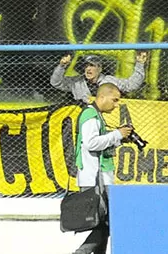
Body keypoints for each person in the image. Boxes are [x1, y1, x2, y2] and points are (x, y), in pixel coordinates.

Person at [72, 83, 130, 254]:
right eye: (114, 100)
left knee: (104, 224)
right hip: (95, 180)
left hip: (98, 178)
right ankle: (81, 252)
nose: (116, 104)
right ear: (102, 97)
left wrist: (118, 139)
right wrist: (117, 134)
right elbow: (91, 143)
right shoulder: (90, 114)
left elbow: (99, 144)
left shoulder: (95, 115)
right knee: (105, 223)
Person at [52, 51, 150, 101]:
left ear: (100, 68)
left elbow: (131, 85)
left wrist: (140, 64)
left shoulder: (109, 81)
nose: (88, 69)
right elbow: (56, 83)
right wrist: (62, 66)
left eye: (92, 65)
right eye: (86, 66)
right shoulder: (77, 82)